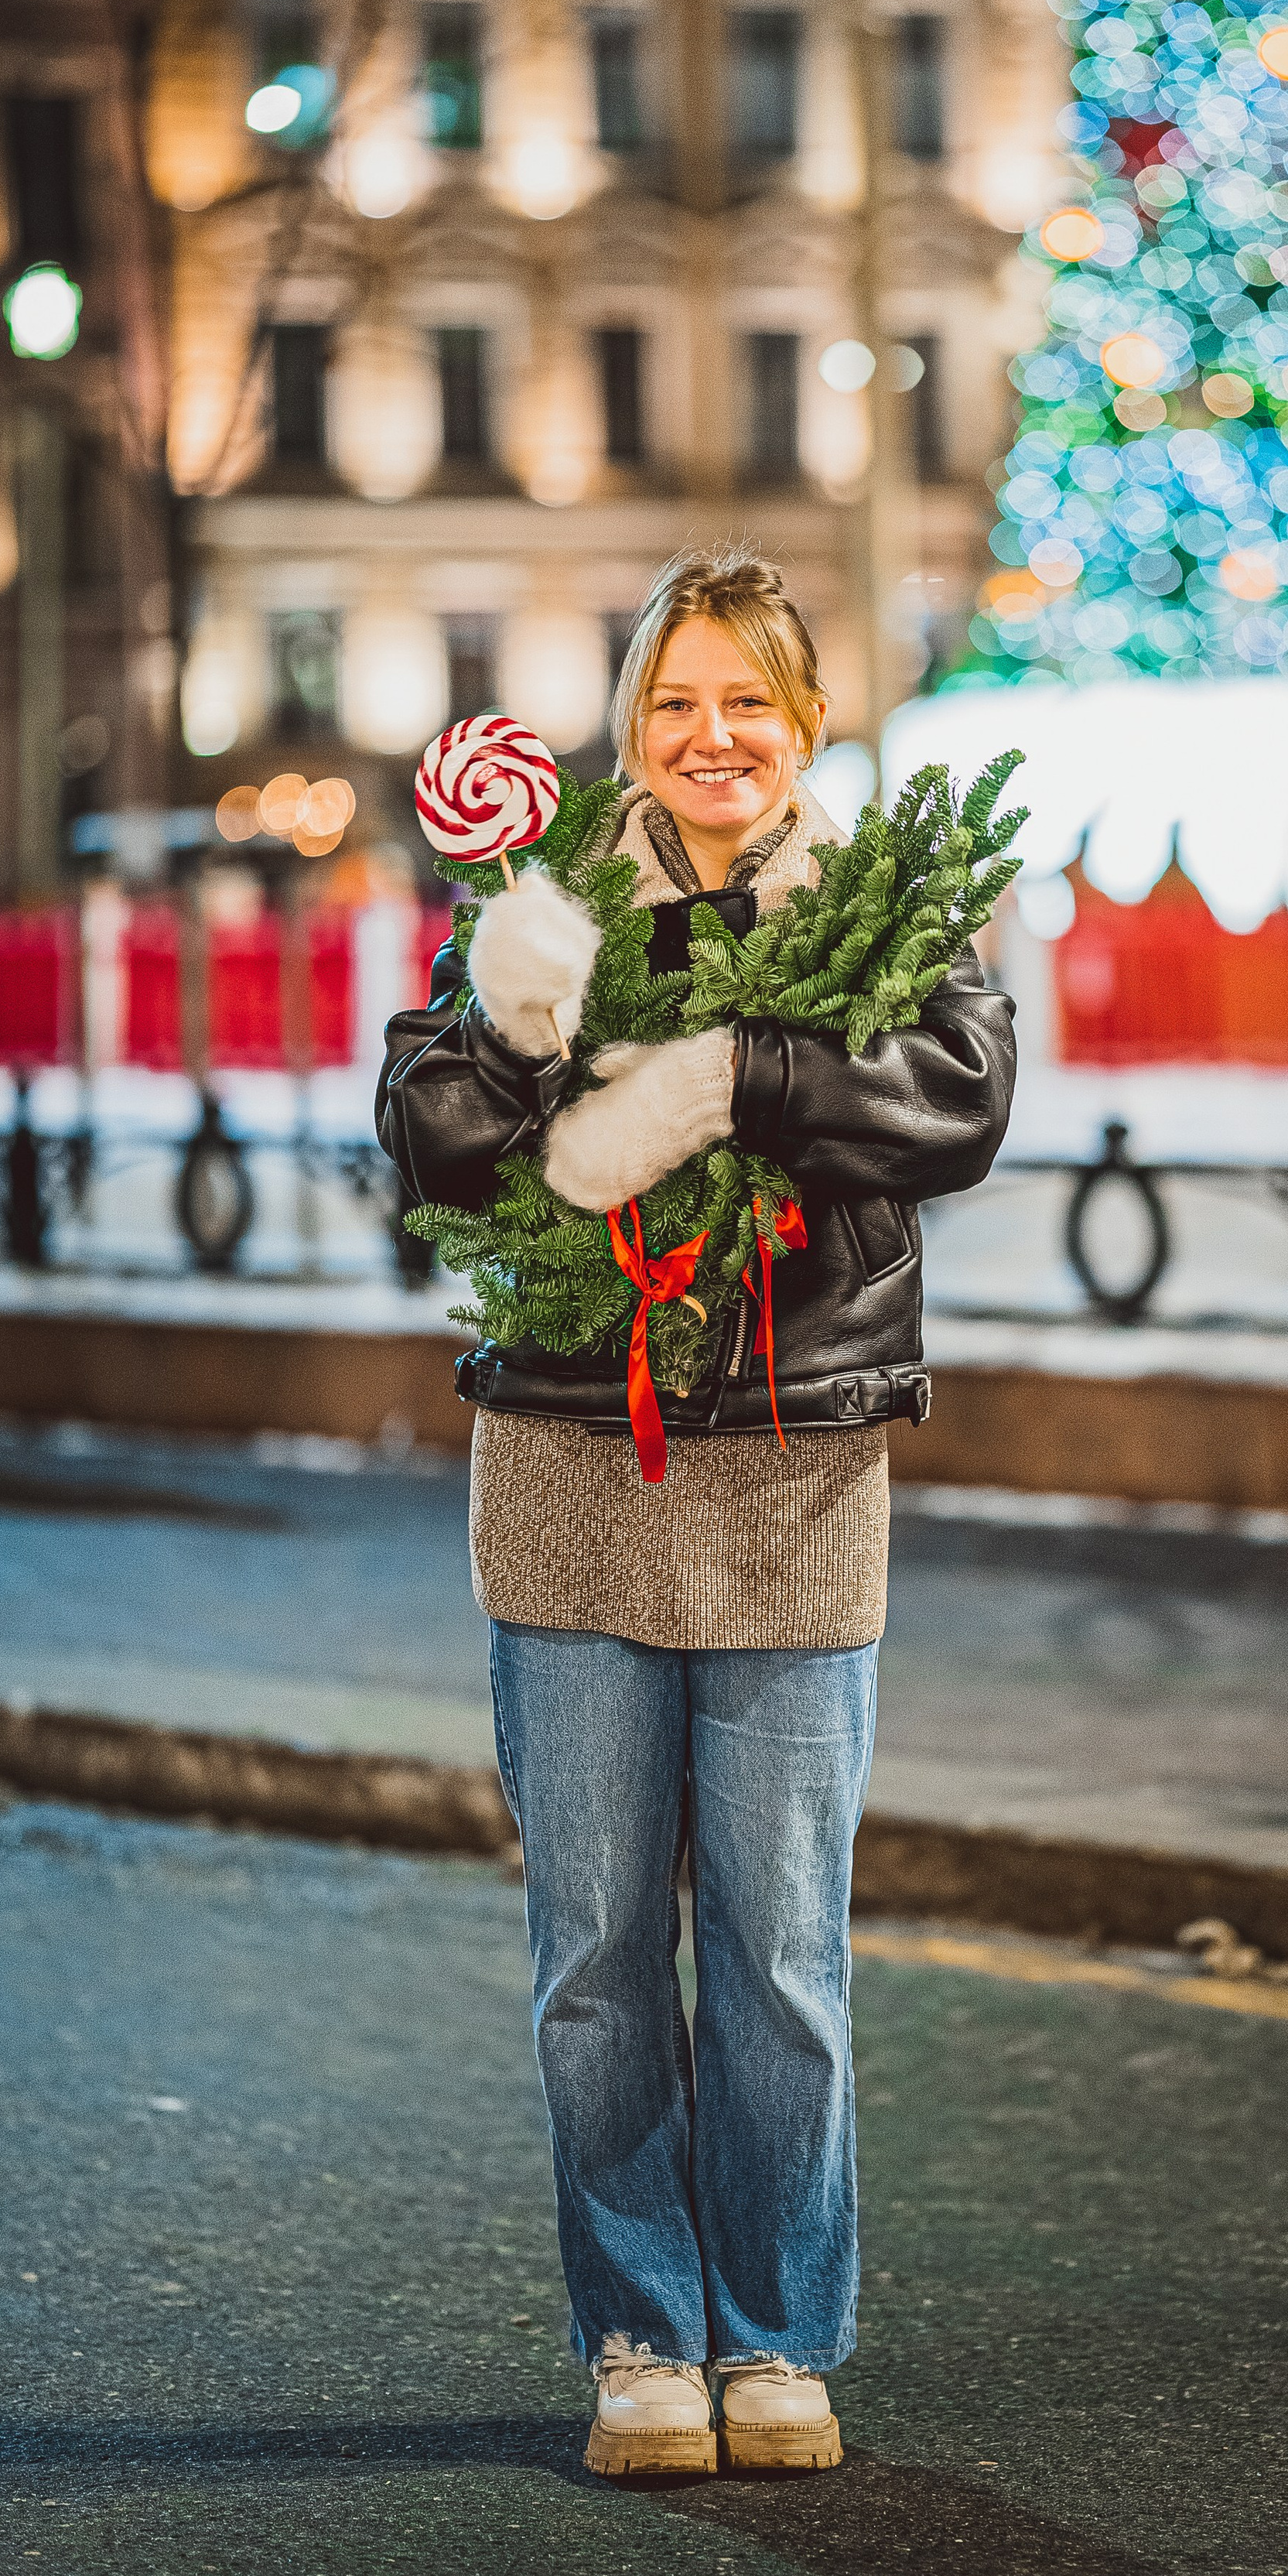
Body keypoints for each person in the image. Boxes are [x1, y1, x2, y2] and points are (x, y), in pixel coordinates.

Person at [377, 548, 1016, 2478]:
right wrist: (516, 1030)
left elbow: (956, 1104)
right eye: (675, 705)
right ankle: (644, 2334)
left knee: (778, 1952)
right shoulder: (544, 900)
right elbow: (426, 1133)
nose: (710, 739)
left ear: (802, 723)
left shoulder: (888, 910)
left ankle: (777, 2339)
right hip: (575, 1470)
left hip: (798, 1485)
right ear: (631, 730)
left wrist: (739, 1073)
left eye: (747, 703)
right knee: (592, 1956)